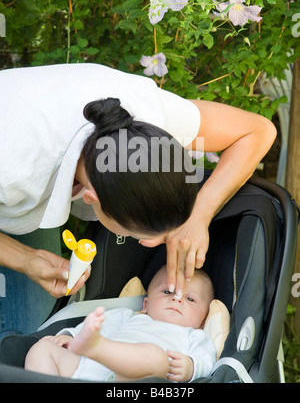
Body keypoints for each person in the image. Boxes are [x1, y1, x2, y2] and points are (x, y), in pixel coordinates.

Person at [0, 63, 276, 333]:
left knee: (31, 327)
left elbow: (257, 131)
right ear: (91, 198)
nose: (152, 244)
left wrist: (198, 216)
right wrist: (23, 258)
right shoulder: (15, 169)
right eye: (138, 236)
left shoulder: (151, 117)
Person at [25, 266, 216, 382]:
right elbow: (94, 327)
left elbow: (207, 362)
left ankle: (96, 348)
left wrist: (191, 368)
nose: (177, 299)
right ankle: (94, 348)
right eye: (167, 292)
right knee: (43, 348)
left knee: (158, 358)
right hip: (87, 369)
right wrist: (72, 336)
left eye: (190, 299)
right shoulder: (128, 316)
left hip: (134, 383)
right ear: (146, 304)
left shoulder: (196, 335)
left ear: (203, 320)